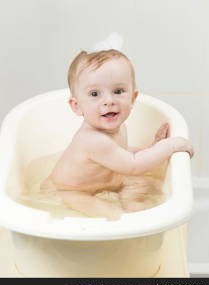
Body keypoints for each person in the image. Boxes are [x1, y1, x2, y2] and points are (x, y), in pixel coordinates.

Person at [40, 49, 193, 220]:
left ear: (133, 98)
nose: (109, 100)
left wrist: (152, 149)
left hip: (107, 181)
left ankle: (131, 203)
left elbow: (123, 155)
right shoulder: (93, 140)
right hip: (69, 191)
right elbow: (134, 165)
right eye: (94, 94)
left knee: (142, 183)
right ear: (77, 106)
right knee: (112, 215)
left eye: (118, 91)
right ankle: (125, 219)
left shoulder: (119, 128)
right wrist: (169, 146)